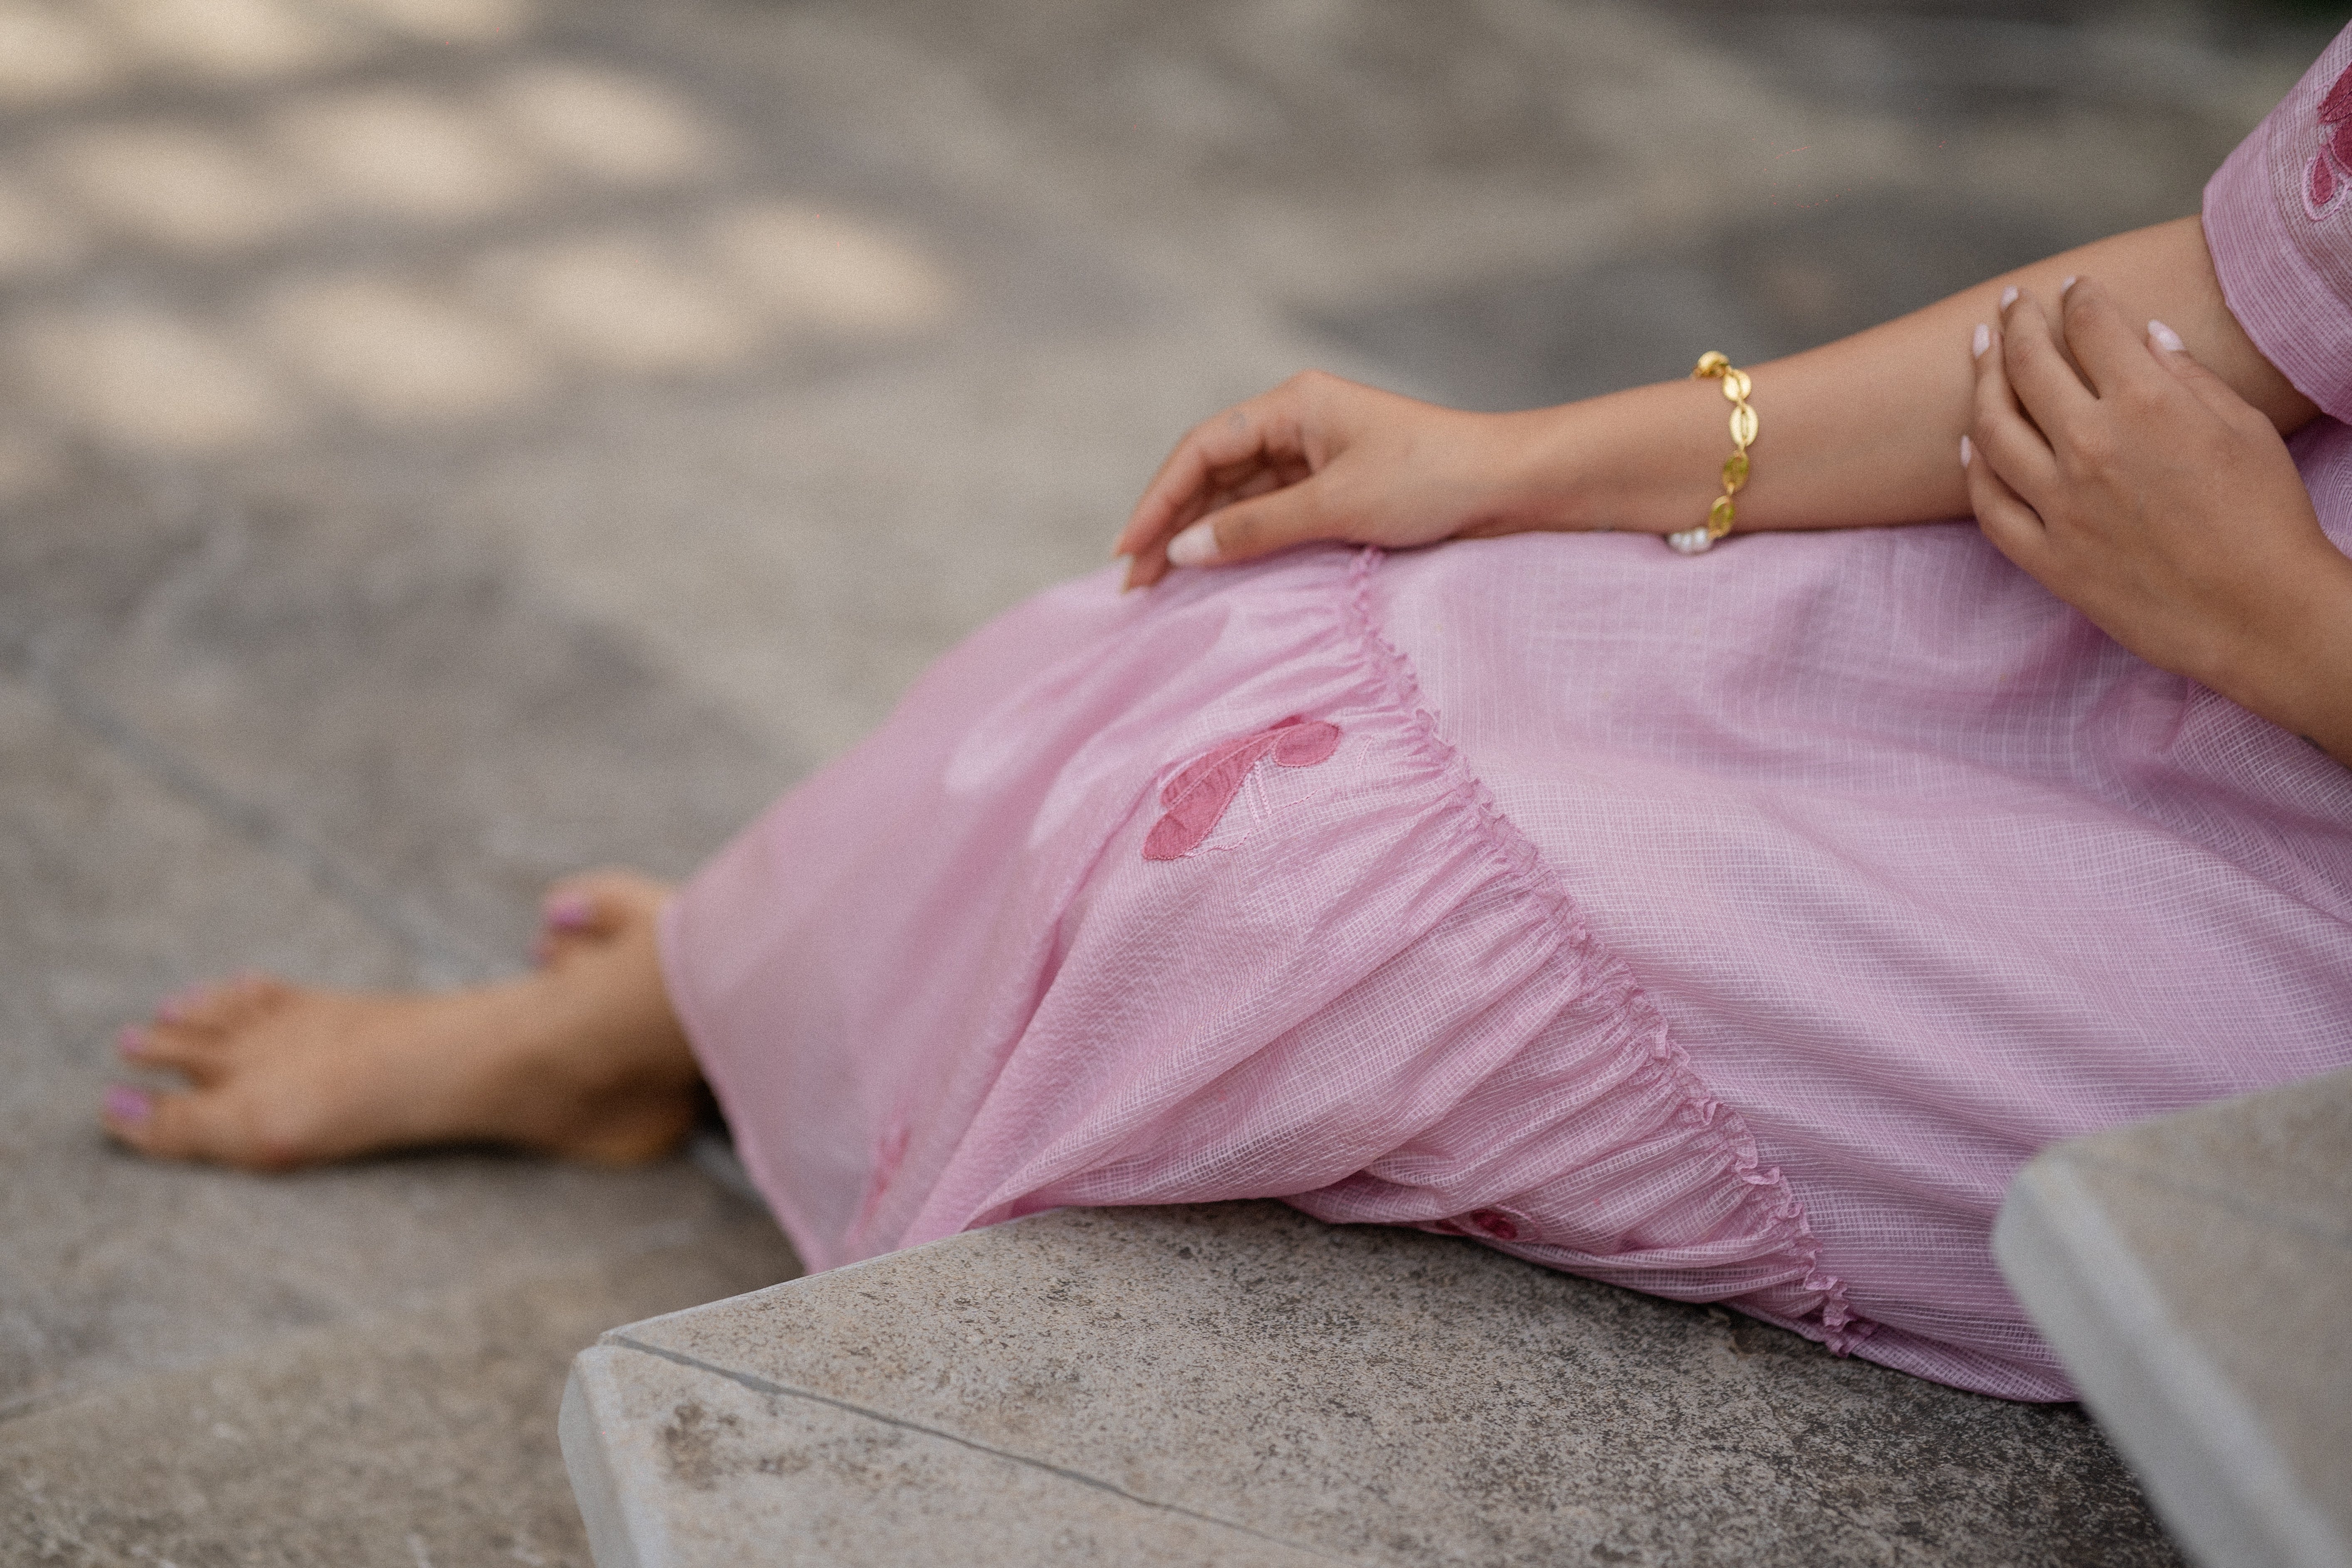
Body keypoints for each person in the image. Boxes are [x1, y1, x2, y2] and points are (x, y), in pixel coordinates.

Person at [102, 26, 2352, 1401]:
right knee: (1246, 617)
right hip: (2149, 612)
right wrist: (1513, 462)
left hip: (2289, 916)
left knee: (1278, 884)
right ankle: (666, 1022)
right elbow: (2239, 298)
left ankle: (696, 1022)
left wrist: (2272, 624)